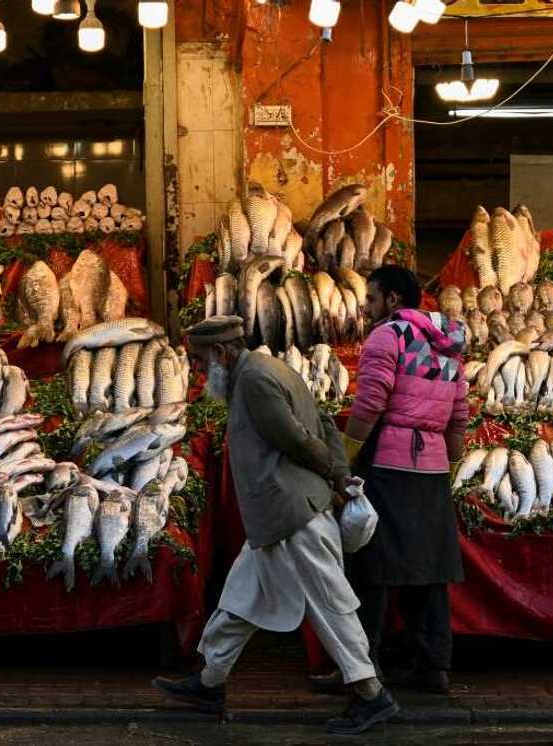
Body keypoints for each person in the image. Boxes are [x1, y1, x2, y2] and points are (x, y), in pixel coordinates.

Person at [152, 315, 399, 736]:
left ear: (223, 353)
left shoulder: (253, 380)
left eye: (199, 361)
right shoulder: (272, 368)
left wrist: (335, 476)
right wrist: (337, 470)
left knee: (330, 603)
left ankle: (371, 693)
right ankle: (210, 681)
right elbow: (323, 423)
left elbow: (298, 439)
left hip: (293, 514)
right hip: (276, 516)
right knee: (241, 598)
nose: (195, 370)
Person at [312, 265, 468, 695]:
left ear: (393, 300)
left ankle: (361, 669)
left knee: (370, 565)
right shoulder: (450, 346)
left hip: (389, 465)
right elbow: (459, 418)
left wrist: (343, 458)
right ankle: (433, 666)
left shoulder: (388, 336)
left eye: (371, 298)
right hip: (432, 468)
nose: (366, 308)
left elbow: (370, 403)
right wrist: (450, 469)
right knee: (430, 570)